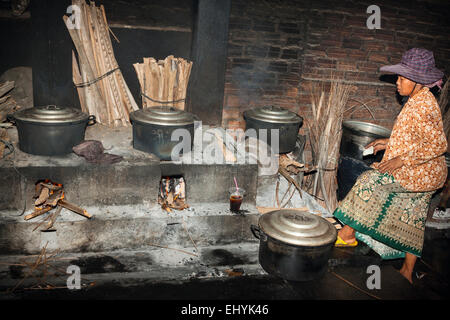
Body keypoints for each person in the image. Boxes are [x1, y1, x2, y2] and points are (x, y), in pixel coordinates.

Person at [333, 48, 447, 284]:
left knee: (369, 181)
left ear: (416, 81)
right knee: (413, 217)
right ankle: (407, 270)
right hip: (422, 170)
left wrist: (400, 159)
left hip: (423, 172)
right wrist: (387, 143)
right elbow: (413, 137)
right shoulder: (417, 98)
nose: (397, 82)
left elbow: (438, 145)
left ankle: (348, 233)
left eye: (401, 78)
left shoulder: (424, 105)